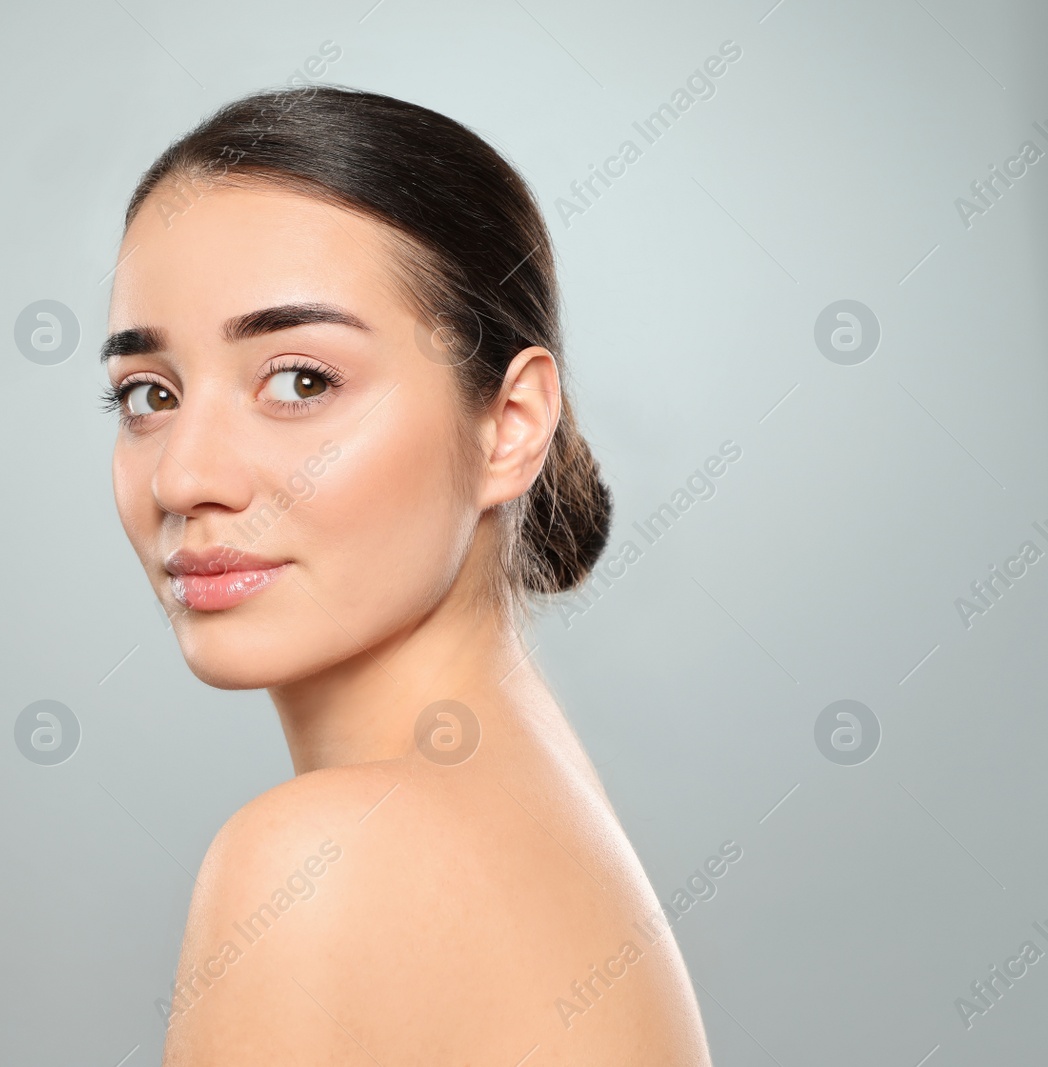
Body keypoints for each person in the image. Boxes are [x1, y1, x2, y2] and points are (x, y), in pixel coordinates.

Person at [100, 85, 712, 1065]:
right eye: (148, 393)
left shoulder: (323, 860)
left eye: (301, 380)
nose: (183, 475)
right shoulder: (536, 806)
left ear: (509, 424)